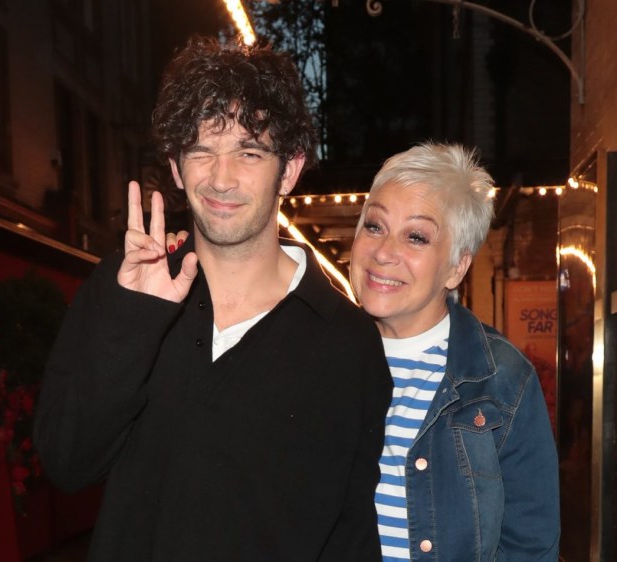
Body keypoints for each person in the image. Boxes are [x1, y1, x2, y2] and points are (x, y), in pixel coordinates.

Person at [34, 37, 392, 562]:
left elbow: (351, 536)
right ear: (178, 169)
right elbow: (67, 463)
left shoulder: (347, 342)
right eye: (202, 150)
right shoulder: (124, 291)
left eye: (249, 152)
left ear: (288, 170)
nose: (222, 178)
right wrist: (134, 321)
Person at [349, 142, 560, 561]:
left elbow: (530, 545)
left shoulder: (502, 380)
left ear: (457, 267)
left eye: (416, 236)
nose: (384, 252)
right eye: (374, 226)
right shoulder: (313, 356)